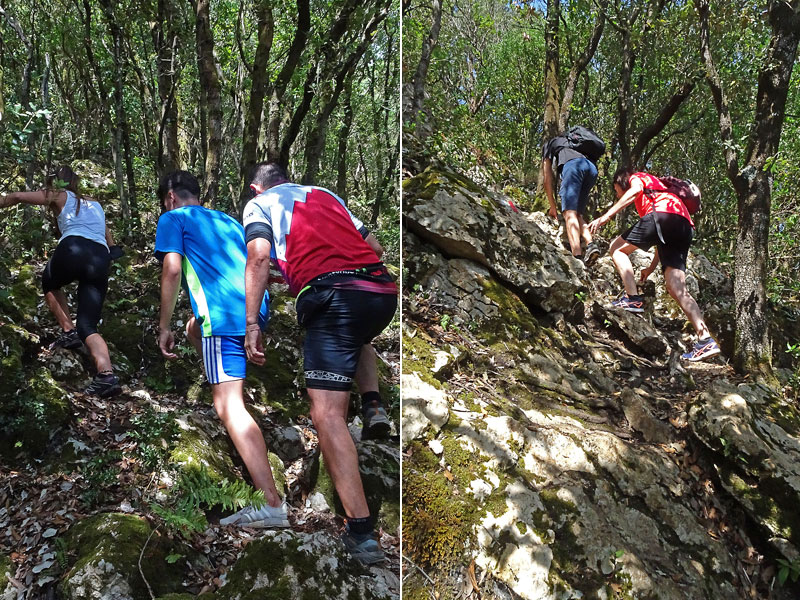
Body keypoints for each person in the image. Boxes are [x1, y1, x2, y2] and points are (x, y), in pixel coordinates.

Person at [242, 162, 397, 564]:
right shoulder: (325, 195)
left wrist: (251, 325)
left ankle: (361, 534)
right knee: (356, 334)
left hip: (331, 295)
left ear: (258, 188)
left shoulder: (259, 205)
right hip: (379, 289)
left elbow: (258, 258)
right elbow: (375, 247)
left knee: (327, 415)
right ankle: (374, 402)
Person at [154, 170, 289, 528]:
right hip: (252, 311)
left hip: (223, 317)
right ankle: (221, 375)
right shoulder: (228, 220)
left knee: (228, 405)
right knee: (191, 329)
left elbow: (171, 270)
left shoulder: (173, 218)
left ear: (170, 198)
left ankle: (270, 504)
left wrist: (163, 326)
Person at [0, 165, 121, 396]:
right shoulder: (94, 204)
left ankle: (68, 331)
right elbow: (107, 234)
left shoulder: (58, 194)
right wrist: (114, 249)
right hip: (100, 257)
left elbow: (17, 197)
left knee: (50, 283)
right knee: (89, 325)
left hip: (74, 248)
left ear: (57, 182)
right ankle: (106, 375)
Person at [588, 167, 721, 362]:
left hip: (665, 217)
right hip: (684, 225)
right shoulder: (661, 195)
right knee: (677, 287)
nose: (618, 195)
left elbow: (635, 192)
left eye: (617, 191)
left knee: (616, 249)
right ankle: (705, 339)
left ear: (622, 183)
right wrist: (650, 269)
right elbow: (662, 236)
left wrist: (606, 216)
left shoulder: (639, 178)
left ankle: (632, 298)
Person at [542, 130, 602, 265]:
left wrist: (552, 206)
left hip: (573, 166)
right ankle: (591, 244)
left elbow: (547, 178)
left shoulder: (550, 144)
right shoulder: (574, 143)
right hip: (591, 169)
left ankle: (577, 256)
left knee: (569, 213)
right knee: (578, 214)